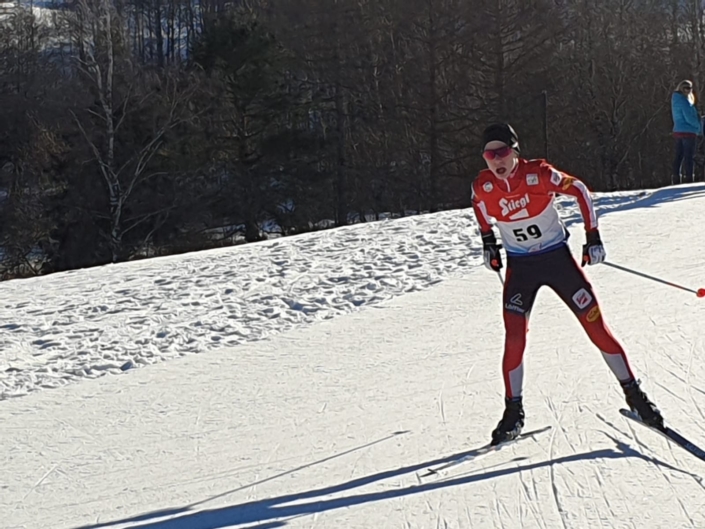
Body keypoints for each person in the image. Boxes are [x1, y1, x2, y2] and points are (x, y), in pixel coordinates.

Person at [471, 123, 664, 446]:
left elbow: (581, 191)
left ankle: (634, 393)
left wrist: (593, 237)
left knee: (596, 326)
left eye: (502, 152)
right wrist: (489, 242)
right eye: (490, 154)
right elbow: (478, 206)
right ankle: (513, 411)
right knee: (515, 335)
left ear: (515, 151)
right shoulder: (483, 186)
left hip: (557, 261)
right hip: (521, 268)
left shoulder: (539, 175)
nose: (497, 160)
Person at [671, 79, 702, 184]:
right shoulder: (684, 102)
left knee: (679, 155)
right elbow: (689, 118)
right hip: (688, 131)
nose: (689, 90)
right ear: (681, 88)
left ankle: (676, 177)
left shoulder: (676, 100)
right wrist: (698, 126)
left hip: (678, 130)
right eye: (686, 88)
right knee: (689, 156)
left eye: (690, 88)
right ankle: (689, 178)